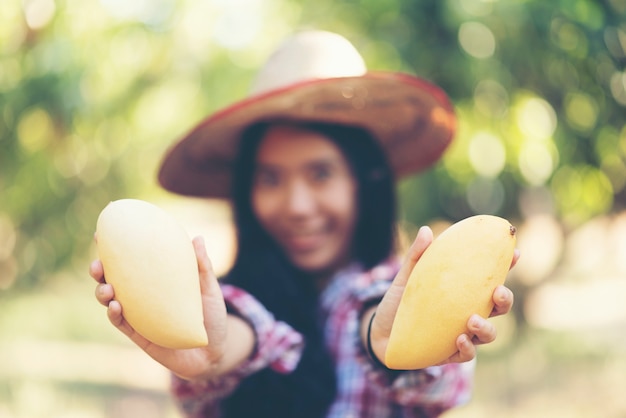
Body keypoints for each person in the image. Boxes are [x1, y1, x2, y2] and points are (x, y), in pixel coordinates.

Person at [90, 30, 518, 418]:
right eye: (270, 178)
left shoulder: (408, 296)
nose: (297, 206)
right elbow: (241, 331)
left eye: (320, 174)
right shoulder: (222, 305)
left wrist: (391, 344)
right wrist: (214, 352)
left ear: (363, 181)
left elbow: (405, 347)